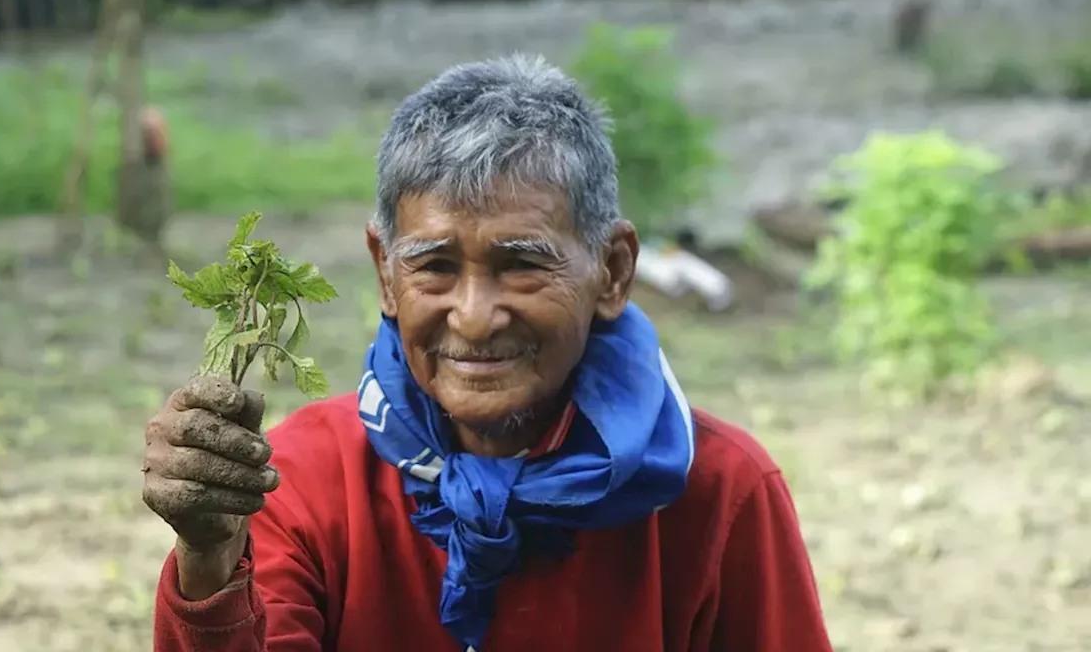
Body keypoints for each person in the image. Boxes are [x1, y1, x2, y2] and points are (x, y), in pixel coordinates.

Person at [142, 55, 834, 652]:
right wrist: (210, 561)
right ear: (386, 274)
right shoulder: (302, 481)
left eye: (522, 265)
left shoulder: (715, 493)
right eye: (434, 266)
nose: (473, 319)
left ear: (613, 271)